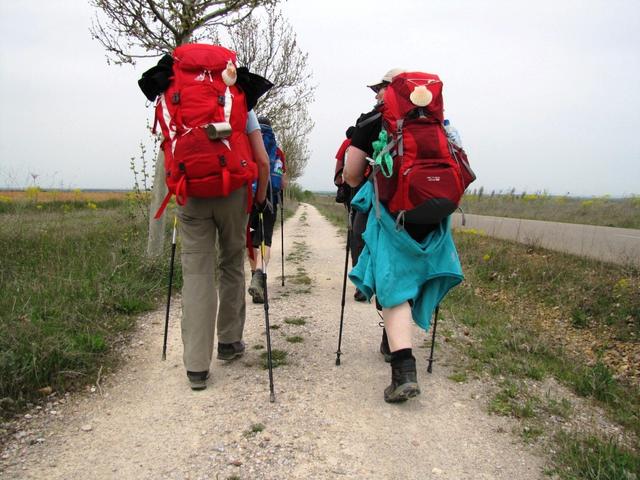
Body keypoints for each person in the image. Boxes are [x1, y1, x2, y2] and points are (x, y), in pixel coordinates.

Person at [343, 68, 463, 403]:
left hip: (392, 214)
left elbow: (352, 176)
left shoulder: (372, 121)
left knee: (393, 286)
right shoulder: (441, 123)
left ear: (389, 90)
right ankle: (394, 341)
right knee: (411, 279)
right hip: (435, 213)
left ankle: (403, 371)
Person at [179, 109, 270, 391]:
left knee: (196, 273)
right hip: (233, 191)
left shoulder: (179, 96)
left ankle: (196, 366)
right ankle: (229, 342)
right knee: (231, 262)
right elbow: (263, 161)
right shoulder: (241, 104)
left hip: (191, 192)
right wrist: (260, 199)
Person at [247, 116, 288, 304]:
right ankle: (259, 275)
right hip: (270, 199)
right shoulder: (277, 152)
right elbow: (283, 182)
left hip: (248, 197)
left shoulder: (249, 144)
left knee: (251, 241)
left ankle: (253, 274)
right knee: (265, 240)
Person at [333, 126, 368, 302]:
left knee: (357, 235)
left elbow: (340, 164)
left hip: (357, 193)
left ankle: (361, 284)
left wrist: (339, 182)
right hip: (380, 193)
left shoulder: (349, 143)